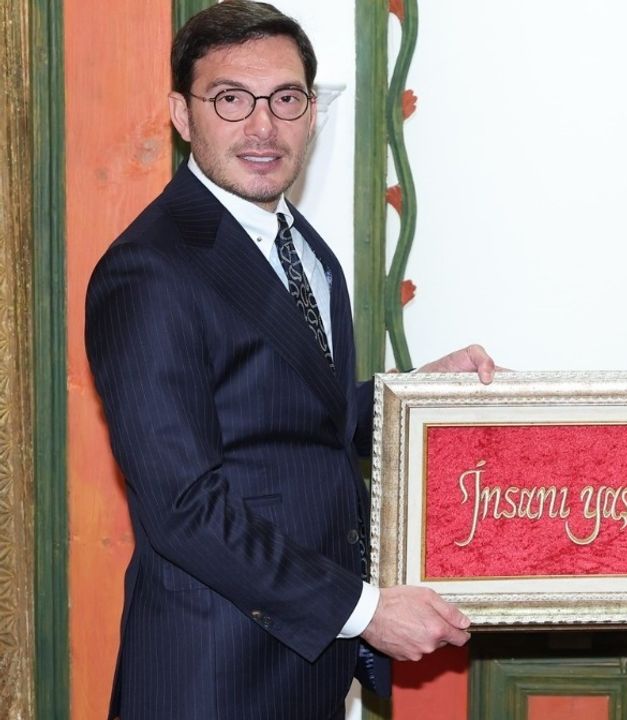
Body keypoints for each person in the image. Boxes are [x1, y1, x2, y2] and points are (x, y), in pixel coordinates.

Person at [85, 2, 492, 717]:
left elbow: (294, 421)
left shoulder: (301, 245)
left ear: (310, 112)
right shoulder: (150, 268)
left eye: (285, 98)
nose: (263, 126)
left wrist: (412, 399)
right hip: (212, 677)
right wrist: (365, 611)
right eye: (230, 99)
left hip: (305, 670)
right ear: (182, 116)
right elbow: (183, 507)